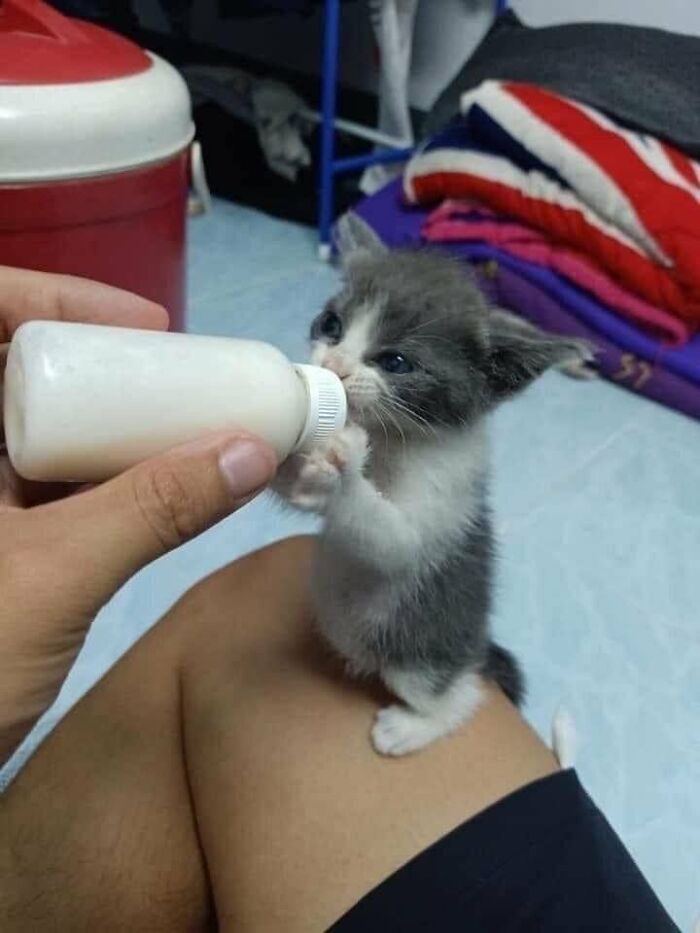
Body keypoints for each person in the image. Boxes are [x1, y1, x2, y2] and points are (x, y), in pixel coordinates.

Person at [0, 266, 677, 931]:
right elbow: (306, 493)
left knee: (409, 670)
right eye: (332, 328)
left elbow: (396, 549)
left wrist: (348, 483)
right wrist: (278, 458)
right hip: (348, 607)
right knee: (266, 585)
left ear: (485, 384)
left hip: (407, 630)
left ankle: (443, 706)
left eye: (394, 359)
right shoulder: (366, 418)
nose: (336, 359)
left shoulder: (446, 462)